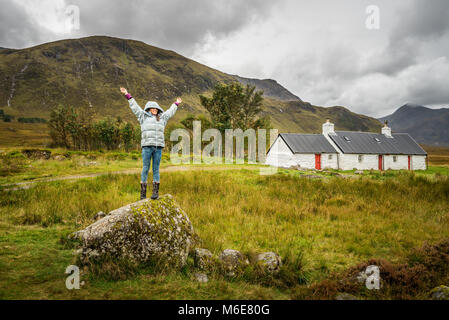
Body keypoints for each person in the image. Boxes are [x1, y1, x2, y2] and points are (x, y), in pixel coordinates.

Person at [120, 87, 182, 200]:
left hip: (158, 148)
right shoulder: (142, 116)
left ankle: (155, 193)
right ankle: (143, 194)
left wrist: (176, 103)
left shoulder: (162, 118)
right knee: (145, 168)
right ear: (148, 109)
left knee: (156, 169)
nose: (154, 110)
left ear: (158, 109)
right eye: (152, 108)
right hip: (147, 147)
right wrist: (127, 95)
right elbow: (135, 107)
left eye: (156, 108)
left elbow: (170, 111)